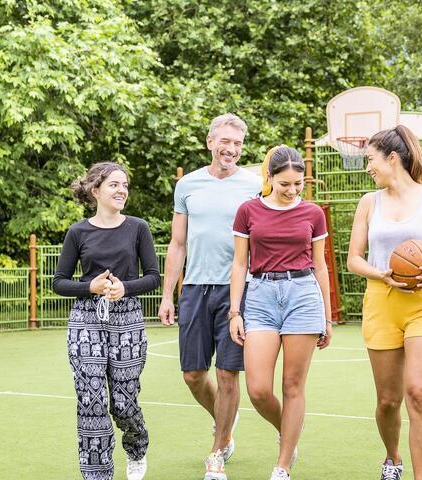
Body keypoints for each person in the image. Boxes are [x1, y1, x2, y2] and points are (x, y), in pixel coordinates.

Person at [346, 125, 422, 480]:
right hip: (382, 302)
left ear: (392, 158)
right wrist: (381, 275)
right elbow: (354, 260)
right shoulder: (370, 202)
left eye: (370, 160)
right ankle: (392, 458)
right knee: (388, 401)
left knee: (419, 393)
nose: (368, 168)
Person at [157, 113, 261, 480]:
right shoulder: (187, 185)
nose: (231, 149)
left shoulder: (256, 185)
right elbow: (177, 243)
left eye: (237, 144)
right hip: (195, 290)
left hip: (239, 290)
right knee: (193, 375)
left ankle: (217, 452)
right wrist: (168, 294)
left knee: (228, 374)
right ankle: (227, 427)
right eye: (225, 142)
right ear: (210, 142)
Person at [228, 146, 333, 480]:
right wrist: (235, 312)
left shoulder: (314, 213)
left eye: (298, 184)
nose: (292, 190)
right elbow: (239, 263)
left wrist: (327, 318)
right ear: (269, 178)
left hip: (303, 295)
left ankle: (282, 465)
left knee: (292, 385)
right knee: (258, 388)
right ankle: (288, 429)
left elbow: (320, 266)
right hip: (260, 296)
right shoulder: (247, 210)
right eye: (285, 183)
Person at [52, 162, 160, 480]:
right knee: (91, 397)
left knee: (124, 401)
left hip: (127, 319)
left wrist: (125, 287)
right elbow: (59, 282)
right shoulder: (78, 232)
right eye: (114, 184)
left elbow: (153, 276)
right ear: (95, 190)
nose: (121, 190)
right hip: (86, 318)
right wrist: (91, 287)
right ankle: (97, 474)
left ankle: (137, 446)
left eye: (124, 184)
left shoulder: (138, 228)